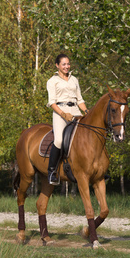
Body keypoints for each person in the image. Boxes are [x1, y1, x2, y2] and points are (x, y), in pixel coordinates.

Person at [46, 53, 89, 185]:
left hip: (75, 110)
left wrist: (87, 111)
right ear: (57, 65)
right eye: (64, 64)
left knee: (88, 135)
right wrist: (64, 114)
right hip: (60, 112)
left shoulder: (74, 79)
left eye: (68, 64)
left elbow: (80, 100)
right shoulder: (52, 81)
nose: (67, 66)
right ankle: (52, 171)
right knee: (59, 140)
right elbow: (52, 102)